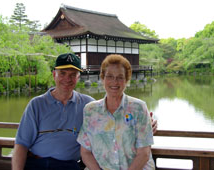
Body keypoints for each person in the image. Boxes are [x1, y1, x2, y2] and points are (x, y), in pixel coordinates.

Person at [12, 53, 157, 170]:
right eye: (62, 73)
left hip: (69, 165)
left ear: (78, 77)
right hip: (37, 164)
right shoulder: (37, 105)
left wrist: (147, 124)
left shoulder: (88, 105)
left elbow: (140, 145)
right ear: (54, 74)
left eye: (72, 74)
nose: (67, 79)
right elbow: (21, 144)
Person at [77, 54, 155, 170]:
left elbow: (143, 153)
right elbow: (86, 152)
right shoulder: (90, 110)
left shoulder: (138, 108)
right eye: (109, 76)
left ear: (127, 80)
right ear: (102, 78)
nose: (115, 82)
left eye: (120, 77)